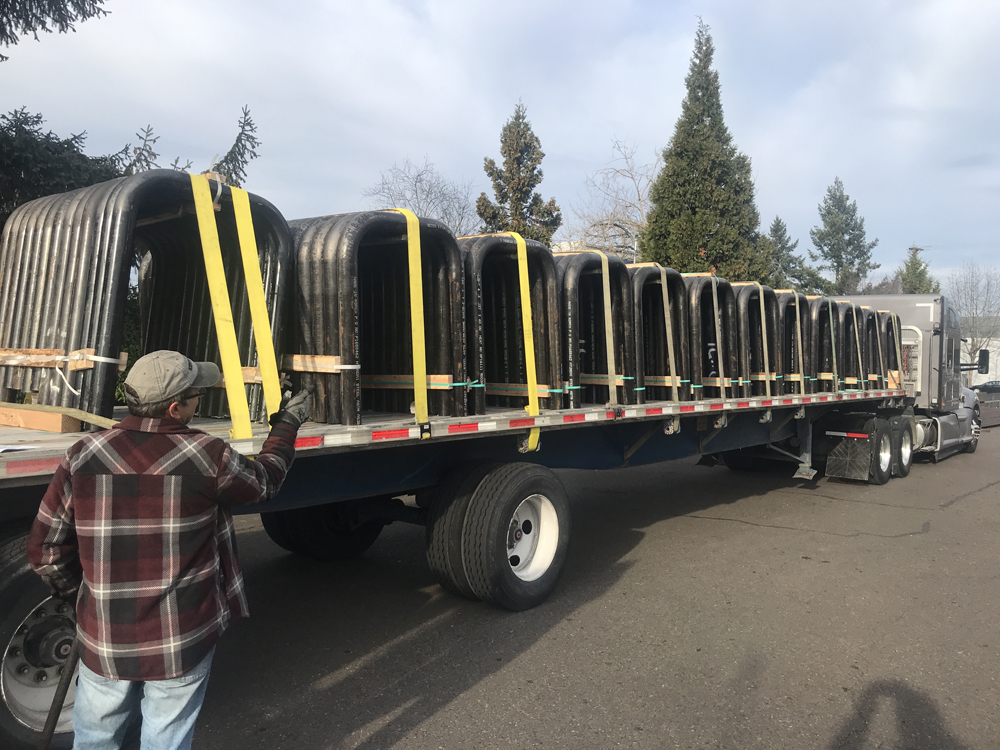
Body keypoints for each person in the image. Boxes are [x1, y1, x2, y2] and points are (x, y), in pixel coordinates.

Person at [27, 350, 312, 750]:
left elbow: (45, 551)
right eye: (196, 395)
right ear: (177, 407)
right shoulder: (208, 455)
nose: (199, 401)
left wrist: (88, 598)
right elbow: (264, 481)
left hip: (105, 635)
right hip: (181, 635)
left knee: (95, 735)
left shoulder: (83, 454)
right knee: (166, 736)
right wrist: (287, 425)